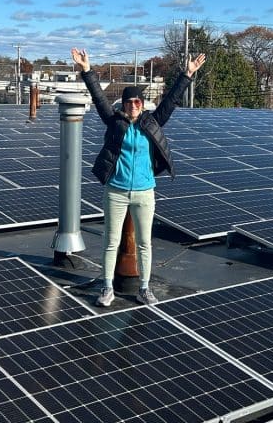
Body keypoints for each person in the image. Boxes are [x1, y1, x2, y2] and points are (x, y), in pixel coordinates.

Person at [71, 47, 206, 307]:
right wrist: (87, 70)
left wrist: (187, 74)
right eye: (128, 102)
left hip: (145, 193)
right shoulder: (115, 123)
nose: (133, 106)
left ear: (142, 104)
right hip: (116, 192)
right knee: (111, 242)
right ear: (123, 105)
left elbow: (171, 101)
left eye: (137, 102)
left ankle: (144, 288)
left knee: (145, 243)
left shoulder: (151, 123)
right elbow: (99, 98)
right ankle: (107, 288)